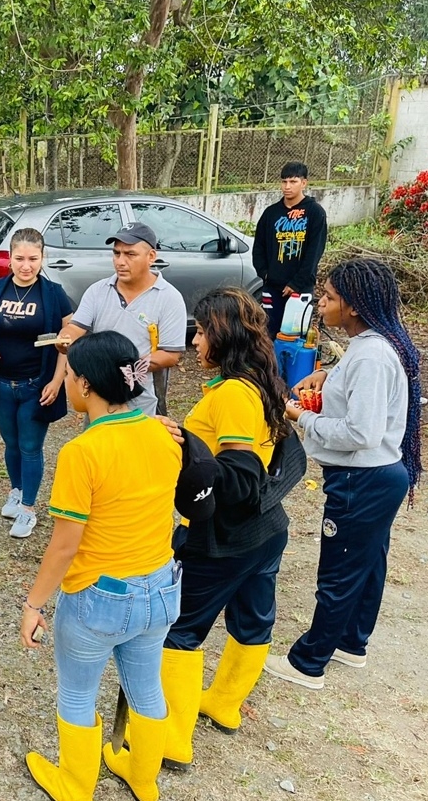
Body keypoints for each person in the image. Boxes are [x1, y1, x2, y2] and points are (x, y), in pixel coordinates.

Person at [19, 330, 207, 801]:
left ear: (85, 384)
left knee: (78, 694)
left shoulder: (82, 452)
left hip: (100, 598)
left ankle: (75, 784)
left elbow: (65, 546)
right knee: (146, 688)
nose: (67, 383)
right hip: (160, 589)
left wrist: (33, 604)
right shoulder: (164, 434)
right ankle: (143, 779)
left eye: (70, 375)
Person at [264, 258, 422, 690]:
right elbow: (363, 387)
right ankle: (351, 643)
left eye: (329, 297)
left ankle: (308, 663)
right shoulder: (374, 345)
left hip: (361, 481)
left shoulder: (370, 355)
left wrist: (301, 417)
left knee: (339, 573)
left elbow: (361, 433)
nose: (320, 303)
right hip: (377, 478)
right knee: (367, 566)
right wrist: (328, 374)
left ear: (353, 306)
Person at [158, 287, 294, 772]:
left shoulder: (234, 393)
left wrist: (186, 447)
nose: (194, 341)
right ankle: (223, 703)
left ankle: (172, 741)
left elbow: (238, 476)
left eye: (201, 331)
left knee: (180, 630)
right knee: (253, 620)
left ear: (224, 334)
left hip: (224, 537)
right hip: (267, 529)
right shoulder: (258, 380)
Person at [0, 227, 72, 539]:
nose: (26, 266)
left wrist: (57, 381)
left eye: (33, 259)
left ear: (43, 258)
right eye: (19, 259)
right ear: (10, 258)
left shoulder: (54, 295)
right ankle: (16, 491)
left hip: (36, 386)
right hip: (0, 384)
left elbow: (67, 341)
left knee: (30, 447)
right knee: (11, 444)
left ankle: (28, 508)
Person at [57, 222, 187, 418]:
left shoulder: (169, 298)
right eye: (116, 253)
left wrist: (127, 369)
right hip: (99, 397)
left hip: (142, 400)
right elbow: (75, 328)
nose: (120, 261)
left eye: (130, 254)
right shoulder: (97, 291)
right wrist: (65, 337)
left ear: (151, 256)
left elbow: (170, 354)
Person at [252, 161, 328, 339]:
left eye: (293, 181)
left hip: (300, 289)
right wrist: (265, 274)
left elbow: (314, 252)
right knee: (269, 335)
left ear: (304, 183)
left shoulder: (315, 213)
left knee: (296, 337)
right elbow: (259, 247)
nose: (287, 186)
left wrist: (296, 284)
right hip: (272, 287)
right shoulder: (271, 213)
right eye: (284, 181)